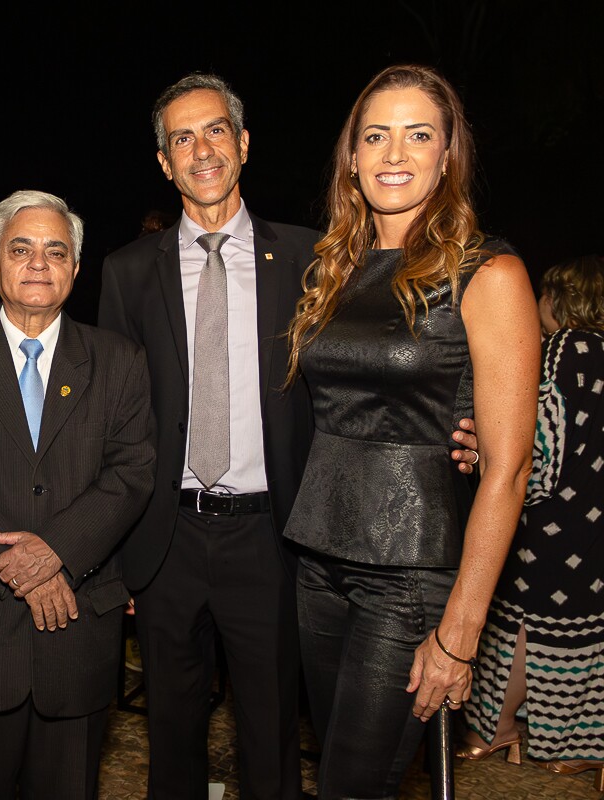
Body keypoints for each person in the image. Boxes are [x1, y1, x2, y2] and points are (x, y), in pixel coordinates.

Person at [281, 64, 540, 798]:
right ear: (352, 159)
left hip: (412, 575)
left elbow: (509, 469)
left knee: (353, 787)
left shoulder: (487, 272)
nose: (395, 153)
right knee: (336, 771)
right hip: (316, 562)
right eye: (377, 135)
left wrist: (461, 633)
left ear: (446, 154)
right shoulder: (336, 269)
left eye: (418, 134)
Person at [97, 73, 318, 800]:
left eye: (215, 129)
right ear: (164, 161)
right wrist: (118, 548)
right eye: (181, 138)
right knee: (173, 740)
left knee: (272, 739)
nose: (201, 149)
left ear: (244, 143)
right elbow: (117, 421)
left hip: (272, 537)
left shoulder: (313, 261)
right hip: (168, 540)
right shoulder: (128, 273)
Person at [0, 190, 155, 799]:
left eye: (56, 250)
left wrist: (57, 550)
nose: (39, 263)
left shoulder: (119, 362)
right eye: (21, 249)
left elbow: (131, 473)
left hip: (74, 634)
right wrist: (24, 566)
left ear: (76, 269)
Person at [460, 255, 604, 790]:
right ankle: (570, 742)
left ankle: (497, 726)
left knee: (525, 623)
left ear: (561, 298)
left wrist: (492, 464)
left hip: (552, 519)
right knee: (582, 632)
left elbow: (539, 440)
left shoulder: (566, 348)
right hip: (593, 521)